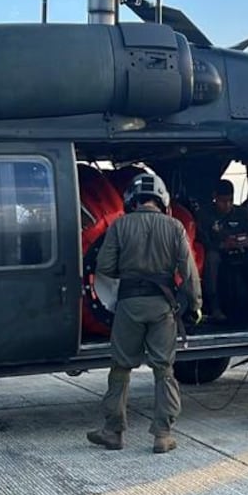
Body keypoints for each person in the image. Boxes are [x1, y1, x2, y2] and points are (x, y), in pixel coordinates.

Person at [87, 172, 202, 454]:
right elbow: (189, 272)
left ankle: (113, 432)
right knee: (164, 369)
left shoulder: (119, 226)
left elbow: (103, 266)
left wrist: (126, 272)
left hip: (128, 306)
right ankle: (162, 435)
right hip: (163, 307)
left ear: (131, 200)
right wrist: (196, 304)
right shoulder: (175, 227)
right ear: (161, 200)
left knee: (121, 368)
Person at [196, 179, 248, 322]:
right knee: (211, 259)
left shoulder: (242, 213)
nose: (227, 205)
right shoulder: (205, 214)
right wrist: (221, 245)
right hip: (219, 253)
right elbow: (201, 240)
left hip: (242, 252)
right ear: (215, 197)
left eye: (230, 200)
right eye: (223, 201)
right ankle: (214, 308)